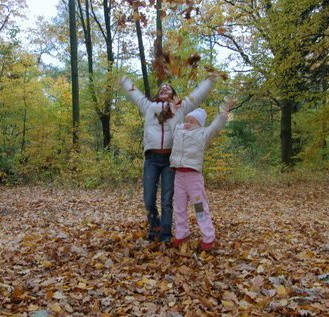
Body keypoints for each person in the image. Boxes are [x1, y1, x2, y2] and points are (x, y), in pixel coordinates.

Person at [120, 74, 220, 242]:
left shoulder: (180, 108)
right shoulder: (149, 106)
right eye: (162, 88)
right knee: (148, 198)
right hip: (151, 158)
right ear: (157, 94)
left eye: (168, 87)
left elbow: (196, 95)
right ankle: (155, 224)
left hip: (170, 161)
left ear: (173, 94)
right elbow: (135, 93)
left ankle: (166, 233)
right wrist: (124, 81)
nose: (165, 88)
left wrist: (210, 81)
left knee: (167, 198)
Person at [168, 101, 233, 251]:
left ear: (200, 124)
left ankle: (208, 237)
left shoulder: (203, 134)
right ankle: (181, 233)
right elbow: (173, 122)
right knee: (179, 207)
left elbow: (215, 127)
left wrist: (223, 113)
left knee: (199, 208)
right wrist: (174, 110)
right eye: (187, 120)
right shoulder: (178, 130)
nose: (188, 123)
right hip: (178, 176)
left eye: (192, 121)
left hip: (193, 178)